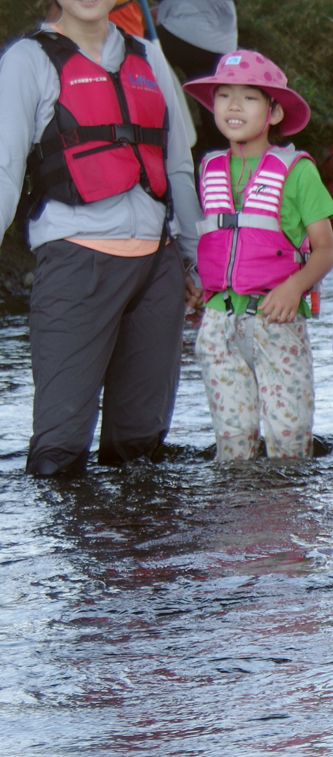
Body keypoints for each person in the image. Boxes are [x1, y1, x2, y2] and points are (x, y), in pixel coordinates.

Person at [0, 0, 202, 477]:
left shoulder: (150, 58)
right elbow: (5, 171)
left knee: (139, 448)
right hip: (76, 263)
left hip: (157, 267)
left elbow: (177, 167)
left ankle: (141, 548)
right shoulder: (26, 62)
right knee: (59, 452)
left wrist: (195, 262)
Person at [183, 50, 333, 460]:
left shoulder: (298, 170)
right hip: (218, 324)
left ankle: (285, 519)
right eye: (223, 95)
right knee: (232, 445)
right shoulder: (209, 167)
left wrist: (293, 289)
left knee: (289, 441)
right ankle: (238, 522)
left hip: (276, 320)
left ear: (273, 113)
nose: (233, 106)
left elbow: (325, 251)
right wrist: (198, 281)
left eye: (249, 97)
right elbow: (219, 243)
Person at [155, 0, 238, 163]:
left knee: (133, 49)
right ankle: (223, 162)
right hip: (222, 38)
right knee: (209, 101)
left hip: (189, 29)